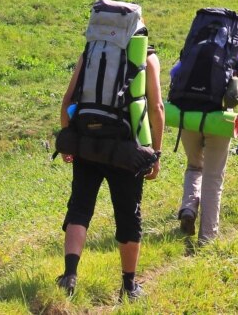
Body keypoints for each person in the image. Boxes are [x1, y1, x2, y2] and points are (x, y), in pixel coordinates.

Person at [57, 18, 164, 302]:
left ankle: (69, 275)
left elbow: (68, 100)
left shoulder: (91, 52)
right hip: (127, 150)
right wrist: (156, 153)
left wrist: (71, 138)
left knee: (80, 207)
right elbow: (156, 108)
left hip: (88, 145)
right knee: (128, 215)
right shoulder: (148, 58)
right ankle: (129, 286)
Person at [176, 52, 238, 244]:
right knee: (213, 176)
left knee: (194, 166)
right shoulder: (231, 48)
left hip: (189, 116)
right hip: (219, 118)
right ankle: (207, 236)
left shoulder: (195, 45)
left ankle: (188, 208)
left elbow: (174, 72)